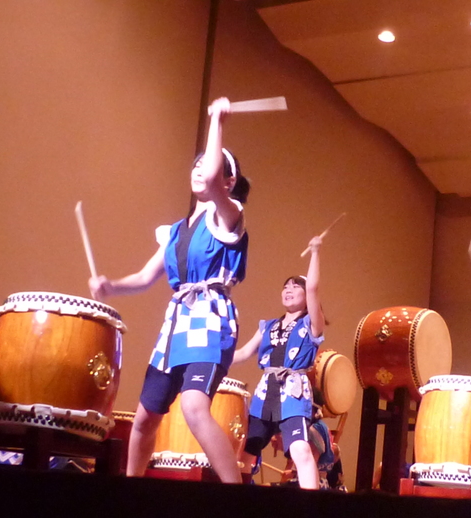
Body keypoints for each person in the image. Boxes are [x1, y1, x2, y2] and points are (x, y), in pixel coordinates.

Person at [89, 97, 250, 483]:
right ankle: (132, 487)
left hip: (210, 323)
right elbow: (146, 278)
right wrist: (110, 286)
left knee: (195, 407)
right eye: (195, 165)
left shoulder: (228, 218)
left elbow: (212, 182)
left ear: (228, 182)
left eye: (208, 167)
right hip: (174, 327)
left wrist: (217, 122)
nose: (200, 171)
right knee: (145, 418)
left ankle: (237, 494)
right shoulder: (175, 232)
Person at [233, 236, 326, 489]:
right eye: (285, 286)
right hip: (265, 394)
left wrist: (315, 251)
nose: (288, 289)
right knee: (245, 453)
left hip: (293, 393)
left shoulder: (311, 325)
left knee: (300, 451)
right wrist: (213, 360)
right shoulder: (268, 326)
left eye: (296, 287)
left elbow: (314, 289)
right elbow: (242, 354)